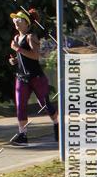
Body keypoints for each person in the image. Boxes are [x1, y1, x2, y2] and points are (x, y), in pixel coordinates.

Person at [8, 10, 59, 145]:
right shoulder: (15, 39)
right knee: (20, 106)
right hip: (21, 77)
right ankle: (23, 135)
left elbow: (35, 56)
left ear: (27, 23)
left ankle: (57, 125)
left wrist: (18, 49)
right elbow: (23, 58)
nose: (16, 22)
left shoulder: (31, 37)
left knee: (45, 105)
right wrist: (15, 61)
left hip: (36, 77)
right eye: (15, 20)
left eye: (19, 20)